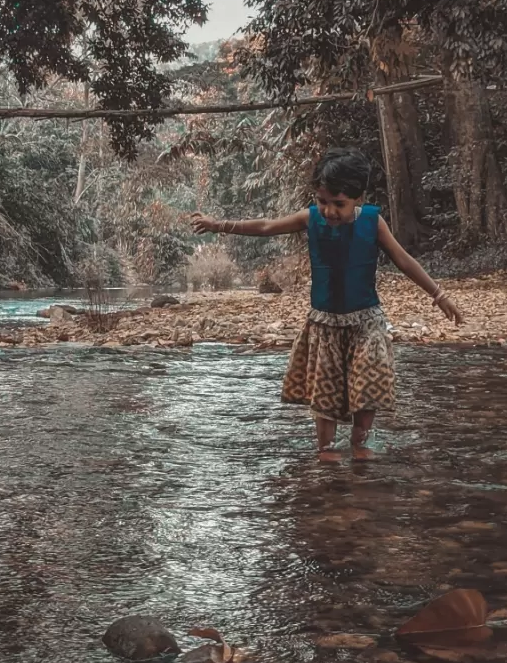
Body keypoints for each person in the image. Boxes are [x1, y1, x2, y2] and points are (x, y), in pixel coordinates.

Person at [191, 148, 463, 460]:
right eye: (323, 201)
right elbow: (266, 226)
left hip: (367, 325)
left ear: (358, 198)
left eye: (339, 204)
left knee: (367, 392)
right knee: (326, 397)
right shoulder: (310, 219)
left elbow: (404, 260)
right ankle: (327, 456)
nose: (330, 211)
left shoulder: (373, 222)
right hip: (325, 326)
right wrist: (218, 225)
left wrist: (439, 296)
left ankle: (361, 447)